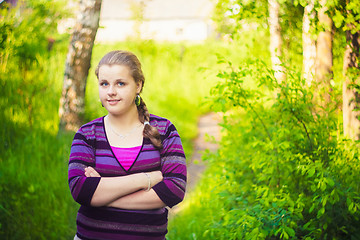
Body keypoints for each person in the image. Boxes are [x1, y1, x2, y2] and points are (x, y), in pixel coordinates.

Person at [68, 50, 187, 240]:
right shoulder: (87, 134)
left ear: (138, 85)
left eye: (120, 83)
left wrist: (103, 193)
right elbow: (81, 190)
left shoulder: (164, 130)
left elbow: (174, 190)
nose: (111, 91)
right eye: (104, 84)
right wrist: (145, 179)